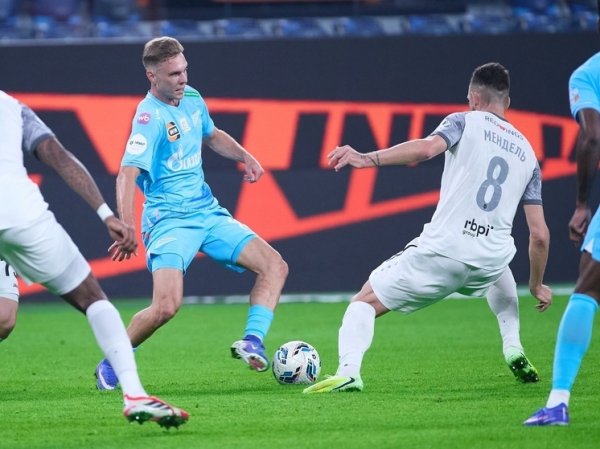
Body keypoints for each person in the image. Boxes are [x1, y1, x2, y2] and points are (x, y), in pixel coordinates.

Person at [303, 62, 552, 394]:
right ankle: (513, 346)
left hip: (445, 251)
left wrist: (365, 158)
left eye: (469, 99)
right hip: (489, 259)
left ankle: (348, 372)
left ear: (475, 97)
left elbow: (423, 150)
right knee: (499, 266)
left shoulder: (463, 121)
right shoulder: (528, 155)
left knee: (363, 302)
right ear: (506, 101)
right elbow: (539, 235)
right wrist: (536, 284)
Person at [94, 36, 288, 390]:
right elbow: (127, 173)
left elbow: (211, 135)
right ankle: (113, 361)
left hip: (206, 212)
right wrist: (126, 225)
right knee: (166, 307)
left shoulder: (193, 98)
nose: (182, 79)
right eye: (173, 74)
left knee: (274, 265)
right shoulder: (148, 118)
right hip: (168, 220)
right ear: (152, 76)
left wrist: (245, 156)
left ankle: (252, 342)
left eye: (184, 70)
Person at [0, 90, 188, 428]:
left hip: (18, 214)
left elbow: (58, 155)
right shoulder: (12, 108)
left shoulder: (12, 107)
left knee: (5, 317)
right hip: (22, 216)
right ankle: (134, 393)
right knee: (92, 298)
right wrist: (106, 214)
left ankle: (134, 394)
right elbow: (58, 156)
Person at [524, 50, 600, 426]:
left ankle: (558, 403)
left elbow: (592, 136)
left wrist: (583, 203)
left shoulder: (588, 73)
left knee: (588, 289)